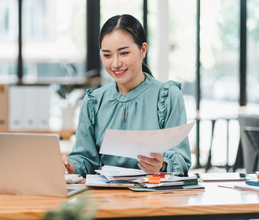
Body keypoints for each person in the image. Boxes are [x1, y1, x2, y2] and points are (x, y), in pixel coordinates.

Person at [62, 14, 191, 177]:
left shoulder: (167, 96)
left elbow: (181, 159)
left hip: (155, 198)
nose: (115, 63)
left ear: (143, 50)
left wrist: (162, 165)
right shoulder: (93, 102)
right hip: (106, 199)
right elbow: (85, 159)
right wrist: (71, 167)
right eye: (107, 55)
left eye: (123, 53)